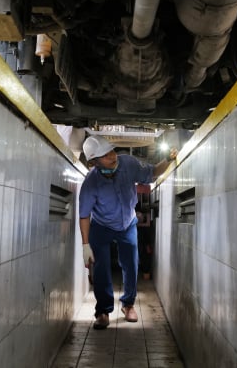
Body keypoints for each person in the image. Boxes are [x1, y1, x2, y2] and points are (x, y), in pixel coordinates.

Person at [79, 135, 177, 330]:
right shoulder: (91, 183)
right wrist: (85, 245)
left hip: (127, 223)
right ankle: (103, 311)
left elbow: (152, 173)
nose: (112, 156)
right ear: (94, 162)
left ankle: (128, 305)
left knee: (131, 264)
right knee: (100, 268)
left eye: (112, 151)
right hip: (101, 226)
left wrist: (168, 159)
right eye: (105, 155)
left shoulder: (128, 163)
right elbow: (84, 215)